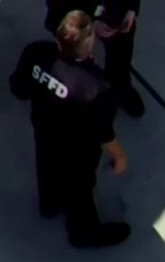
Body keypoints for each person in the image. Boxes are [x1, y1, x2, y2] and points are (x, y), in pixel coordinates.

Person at [9, 10, 131, 248]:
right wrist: (119, 156)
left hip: (44, 129)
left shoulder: (37, 53)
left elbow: (19, 88)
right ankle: (83, 233)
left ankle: (50, 204)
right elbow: (104, 133)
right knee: (80, 186)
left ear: (59, 38)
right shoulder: (97, 87)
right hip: (78, 148)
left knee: (46, 164)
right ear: (88, 45)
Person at [44, 0, 144, 117]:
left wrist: (131, 8)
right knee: (74, 60)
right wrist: (90, 22)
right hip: (75, 12)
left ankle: (119, 83)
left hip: (113, 11)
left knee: (121, 47)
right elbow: (58, 10)